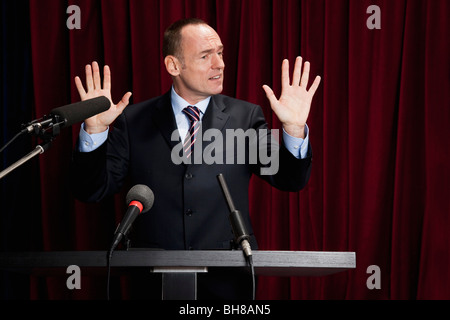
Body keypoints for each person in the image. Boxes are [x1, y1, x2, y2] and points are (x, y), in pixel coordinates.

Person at [70, 18, 321, 299]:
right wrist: (94, 131)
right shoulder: (134, 120)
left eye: (221, 53)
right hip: (153, 282)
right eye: (206, 56)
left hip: (228, 282)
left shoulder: (245, 118)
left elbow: (290, 179)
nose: (220, 63)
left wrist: (294, 130)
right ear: (173, 66)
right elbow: (92, 190)